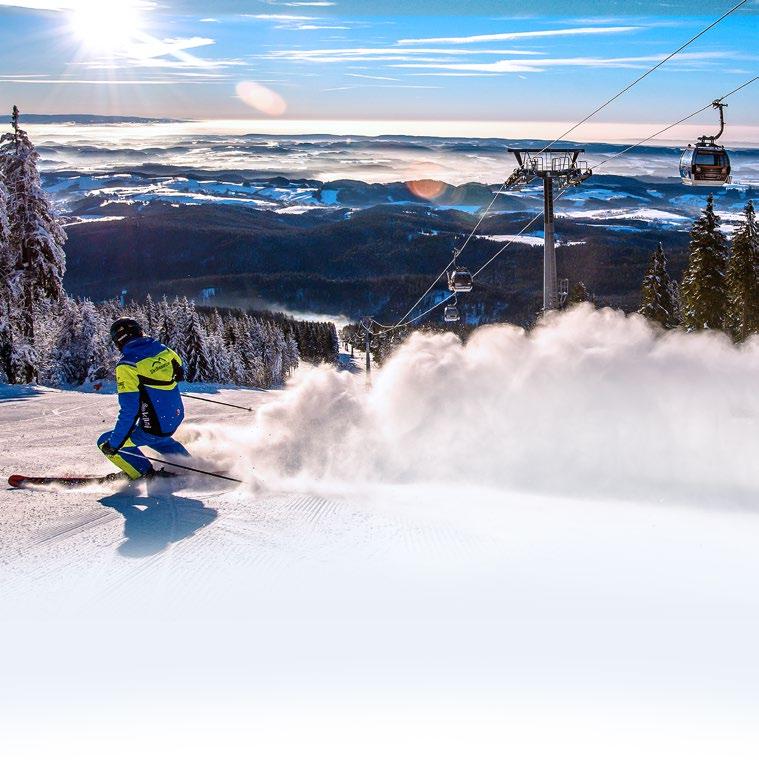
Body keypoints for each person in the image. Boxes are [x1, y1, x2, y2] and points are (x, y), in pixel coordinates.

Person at [98, 318, 190, 480]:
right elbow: (179, 370)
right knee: (158, 438)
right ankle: (190, 465)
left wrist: (114, 444)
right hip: (174, 416)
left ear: (118, 341)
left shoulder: (127, 365)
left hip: (155, 425)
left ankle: (143, 473)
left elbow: (129, 410)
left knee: (105, 442)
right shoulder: (163, 349)